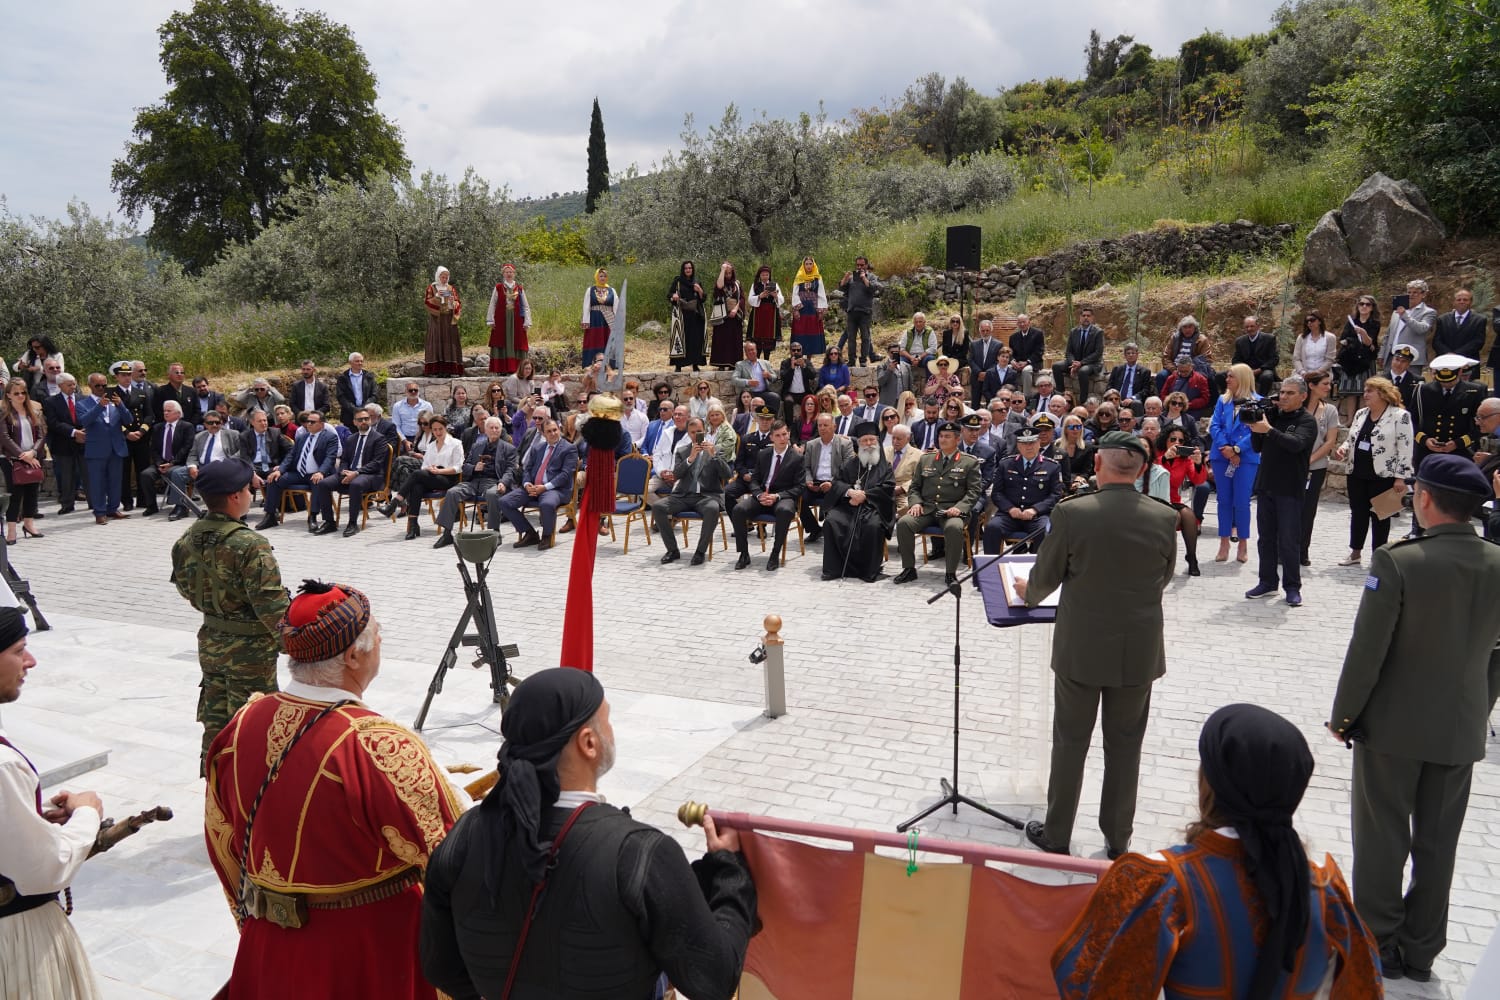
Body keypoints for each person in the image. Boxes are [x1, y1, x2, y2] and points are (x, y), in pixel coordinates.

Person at [420, 668, 755, 1000]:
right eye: (607, 720)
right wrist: (730, 869)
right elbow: (714, 979)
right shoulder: (638, 851)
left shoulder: (467, 833)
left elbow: (442, 969)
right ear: (589, 743)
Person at [206, 581, 466, 1000]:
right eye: (377, 633)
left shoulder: (241, 725)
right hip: (367, 956)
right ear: (352, 656)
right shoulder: (377, 744)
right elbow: (454, 857)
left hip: (268, 947)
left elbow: (223, 842)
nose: (381, 641)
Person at [1053, 703, 1381, 999]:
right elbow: (1364, 988)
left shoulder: (1163, 885)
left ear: (1209, 783)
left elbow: (1089, 986)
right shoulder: (1327, 892)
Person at [1328, 453, 1500, 982]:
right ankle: (1422, 950)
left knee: (1382, 837)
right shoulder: (1496, 562)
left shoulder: (1400, 561)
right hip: (1460, 726)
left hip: (1392, 727)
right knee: (1438, 843)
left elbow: (1368, 650)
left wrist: (1345, 715)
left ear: (1424, 499)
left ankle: (1378, 942)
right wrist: (1478, 707)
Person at [1017, 432, 1178, 859]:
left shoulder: (1073, 512)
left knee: (1070, 743)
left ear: (1098, 465)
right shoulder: (1164, 517)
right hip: (1136, 649)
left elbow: (1046, 577)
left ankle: (1057, 834)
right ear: (1141, 470)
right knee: (1125, 747)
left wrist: (1027, 592)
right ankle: (1118, 839)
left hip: (1081, 647)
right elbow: (1163, 577)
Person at [0, 609, 107, 1000]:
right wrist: (86, 813)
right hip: (16, 941)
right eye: (19, 650)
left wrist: (28, 818)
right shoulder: (2, 766)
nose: (30, 661)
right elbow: (45, 868)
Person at [169, 458, 288, 769]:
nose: (251, 494)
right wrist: (299, 646)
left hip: (211, 643)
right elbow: (272, 609)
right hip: (250, 654)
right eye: (249, 489)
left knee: (216, 724)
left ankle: (215, 785)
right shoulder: (250, 544)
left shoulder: (186, 540)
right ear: (235, 496)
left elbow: (185, 589)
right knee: (253, 730)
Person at [1244, 377, 1318, 608]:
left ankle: (1292, 587)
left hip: (1290, 488)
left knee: (1288, 540)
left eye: (1290, 393)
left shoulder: (1307, 421)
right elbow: (1257, 446)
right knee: (1265, 538)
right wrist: (1256, 427)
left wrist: (1269, 430)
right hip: (1266, 485)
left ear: (1303, 396)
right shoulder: (1273, 416)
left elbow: (1295, 444)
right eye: (1282, 392)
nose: (1283, 397)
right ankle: (1267, 582)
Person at [1334, 377, 1414, 566]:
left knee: (1381, 516)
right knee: (1358, 513)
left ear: (1383, 394)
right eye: (1365, 390)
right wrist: (1344, 448)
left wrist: (1400, 477)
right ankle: (1355, 553)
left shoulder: (1400, 416)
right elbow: (1352, 438)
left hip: (1384, 475)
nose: (1365, 394)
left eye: (1370, 391)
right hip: (1357, 473)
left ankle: (1378, 555)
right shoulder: (1361, 413)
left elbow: (1405, 448)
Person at [892, 421, 980, 586]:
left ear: (957, 439)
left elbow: (974, 491)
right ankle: (909, 569)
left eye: (947, 436)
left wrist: (959, 508)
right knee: (904, 523)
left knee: (954, 528)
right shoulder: (926, 459)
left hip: (951, 511)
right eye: (941, 436)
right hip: (926, 509)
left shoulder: (969, 462)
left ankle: (950, 573)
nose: (943, 439)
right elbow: (915, 487)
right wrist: (915, 503)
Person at [816, 422, 894, 581]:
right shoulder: (849, 464)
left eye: (872, 440)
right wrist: (850, 492)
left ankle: (868, 571)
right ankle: (834, 569)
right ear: (859, 443)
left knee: (873, 526)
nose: (869, 444)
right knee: (832, 521)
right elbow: (837, 483)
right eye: (865, 440)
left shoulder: (885, 467)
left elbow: (888, 488)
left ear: (877, 442)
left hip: (873, 507)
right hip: (848, 506)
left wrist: (865, 495)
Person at [652, 417, 731, 566]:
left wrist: (714, 456)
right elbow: (676, 475)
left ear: (705, 431)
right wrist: (690, 458)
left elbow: (727, 475)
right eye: (692, 432)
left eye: (699, 431)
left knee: (712, 509)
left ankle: (700, 551)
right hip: (683, 495)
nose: (696, 435)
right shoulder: (682, 451)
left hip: (707, 496)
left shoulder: (716, 449)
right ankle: (672, 550)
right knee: (658, 507)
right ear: (688, 433)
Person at [729, 418, 805, 572]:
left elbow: (800, 487)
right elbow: (754, 480)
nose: (782, 438)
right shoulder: (763, 454)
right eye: (778, 435)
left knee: (785, 511)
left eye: (784, 434)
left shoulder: (797, 458)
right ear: (771, 438)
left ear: (789, 434)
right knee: (738, 510)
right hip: (762, 496)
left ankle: (775, 554)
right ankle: (744, 554)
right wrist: (758, 495)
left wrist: (777, 496)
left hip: (783, 497)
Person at [491, 419, 577, 550]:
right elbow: (527, 469)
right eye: (549, 431)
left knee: (547, 504)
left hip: (555, 489)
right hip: (532, 488)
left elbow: (565, 475)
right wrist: (527, 484)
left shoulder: (569, 448)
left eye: (555, 430)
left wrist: (545, 487)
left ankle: (547, 536)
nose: (553, 433)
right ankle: (530, 533)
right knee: (504, 502)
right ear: (543, 434)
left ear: (559, 429)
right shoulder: (538, 448)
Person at [315, 407, 397, 537]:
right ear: (354, 422)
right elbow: (344, 460)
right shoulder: (351, 439)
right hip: (350, 473)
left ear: (370, 420)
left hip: (371, 475)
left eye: (366, 419)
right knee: (323, 484)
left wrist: (356, 473)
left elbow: (377, 463)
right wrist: (343, 471)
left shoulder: (379, 438)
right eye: (360, 420)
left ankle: (352, 523)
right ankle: (329, 522)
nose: (364, 421)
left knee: (356, 484)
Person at [981, 424, 1062, 555]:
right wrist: (1010, 508)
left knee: (1045, 530)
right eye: (1024, 443)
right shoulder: (1006, 464)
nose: (1028, 447)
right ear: (1018, 445)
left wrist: (1035, 509)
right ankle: (991, 566)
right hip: (1009, 515)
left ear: (1039, 443)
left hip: (1038, 516)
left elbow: (1055, 495)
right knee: (992, 527)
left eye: (1032, 443)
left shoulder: (1052, 466)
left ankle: (1038, 566)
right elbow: (997, 493)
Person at [381, 414, 463, 541]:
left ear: (445, 428)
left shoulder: (456, 444)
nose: (438, 432)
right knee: (417, 486)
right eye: (435, 430)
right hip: (431, 476)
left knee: (416, 475)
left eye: (440, 429)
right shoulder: (431, 446)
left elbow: (458, 468)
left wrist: (439, 471)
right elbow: (424, 466)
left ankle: (395, 502)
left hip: (449, 478)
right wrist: (430, 469)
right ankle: (413, 525)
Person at [1208, 364, 1259, 564]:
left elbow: (1256, 430)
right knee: (1224, 500)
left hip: (1246, 458)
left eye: (1231, 376)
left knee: (1242, 501)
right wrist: (1226, 448)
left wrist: (1237, 449)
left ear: (1243, 378)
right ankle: (1224, 543)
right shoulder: (1223, 400)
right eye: (1227, 376)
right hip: (1221, 456)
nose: (1227, 379)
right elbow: (1215, 425)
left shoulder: (1258, 402)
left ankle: (1243, 544)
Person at [257, 411, 340, 530]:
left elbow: (330, 457)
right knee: (274, 479)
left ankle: (312, 517)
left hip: (316, 474)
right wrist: (280, 470)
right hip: (298, 473)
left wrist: (321, 472)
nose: (308, 424)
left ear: (321, 424)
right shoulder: (302, 437)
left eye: (312, 422)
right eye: (307, 421)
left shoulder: (330, 437)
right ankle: (270, 516)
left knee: (318, 482)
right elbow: (291, 456)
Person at [1413, 353, 1485, 468]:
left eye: (1450, 381)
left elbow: (1482, 424)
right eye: (1442, 381)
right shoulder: (1422, 390)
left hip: (1461, 451)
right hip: (1428, 452)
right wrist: (1424, 440)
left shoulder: (1474, 392)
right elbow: (1411, 420)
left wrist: (1459, 443)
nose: (1446, 384)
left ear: (1460, 372)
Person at [1298, 372, 1340, 566]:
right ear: (1311, 385)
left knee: (1308, 510)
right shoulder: (1297, 407)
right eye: (1325, 384)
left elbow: (1330, 441)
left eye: (1329, 384)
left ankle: (1302, 550)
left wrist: (1310, 460)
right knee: (1288, 508)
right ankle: (1283, 548)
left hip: (1315, 468)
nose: (1328, 388)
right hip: (1292, 467)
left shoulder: (1330, 410)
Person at [77, 373, 129, 525]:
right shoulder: (83, 404)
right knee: (97, 483)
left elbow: (129, 420)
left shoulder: (114, 402)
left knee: (115, 481)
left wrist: (121, 405)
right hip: (96, 449)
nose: (101, 388)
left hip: (116, 448)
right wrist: (99, 406)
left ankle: (113, 508)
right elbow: (84, 421)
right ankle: (99, 512)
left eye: (104, 385)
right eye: (97, 385)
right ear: (90, 386)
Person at [0, 378, 47, 543]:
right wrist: (23, 455)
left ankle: (29, 524)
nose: (20, 396)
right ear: (8, 395)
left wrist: (33, 452)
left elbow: (41, 435)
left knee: (32, 492)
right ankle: (11, 531)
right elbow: (4, 437)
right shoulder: (4, 414)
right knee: (15, 494)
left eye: (23, 393)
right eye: (16, 393)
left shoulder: (34, 412)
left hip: (33, 457)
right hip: (12, 459)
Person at [799, 413, 854, 542]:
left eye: (825, 425)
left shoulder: (845, 444)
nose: (822, 428)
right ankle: (815, 530)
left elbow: (848, 470)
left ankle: (831, 528)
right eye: (820, 425)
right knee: (797, 497)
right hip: (815, 483)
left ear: (834, 427)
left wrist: (832, 484)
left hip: (835, 483)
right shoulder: (811, 444)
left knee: (836, 497)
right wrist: (808, 480)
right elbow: (806, 467)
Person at [137, 399, 193, 520]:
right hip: (160, 463)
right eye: (164, 411)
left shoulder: (186, 427)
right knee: (146, 474)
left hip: (178, 463)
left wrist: (172, 463)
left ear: (178, 413)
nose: (165, 413)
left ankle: (180, 507)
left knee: (175, 473)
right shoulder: (158, 427)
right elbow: (153, 449)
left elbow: (186, 448)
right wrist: (159, 463)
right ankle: (151, 505)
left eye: (169, 411)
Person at [42, 373, 86, 514]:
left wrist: (83, 432)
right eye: (69, 384)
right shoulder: (50, 402)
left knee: (88, 475)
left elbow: (89, 417)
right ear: (60, 385)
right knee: (66, 476)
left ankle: (94, 503)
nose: (73, 387)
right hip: (63, 445)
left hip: (83, 443)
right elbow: (53, 423)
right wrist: (74, 432)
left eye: (74, 384)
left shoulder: (83, 399)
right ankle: (67, 504)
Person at [1380, 278, 1436, 376]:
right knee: (1387, 385)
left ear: (1423, 294)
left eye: (1415, 292)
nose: (1411, 295)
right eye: (1409, 292)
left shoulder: (1428, 312)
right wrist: (1381, 354)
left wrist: (1405, 316)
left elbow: (1422, 329)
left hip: (1412, 360)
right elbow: (1388, 335)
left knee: (1410, 385)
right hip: (1392, 358)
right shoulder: (1396, 312)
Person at [1052, 305, 1105, 402]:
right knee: (1056, 366)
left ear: (1092, 318)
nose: (1086, 318)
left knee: (1083, 371)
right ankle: (1061, 395)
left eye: (1088, 316)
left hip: (1092, 363)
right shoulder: (1074, 332)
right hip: (1075, 362)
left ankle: (1083, 401)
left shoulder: (1098, 332)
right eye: (1083, 315)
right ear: (1080, 318)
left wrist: (1081, 363)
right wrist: (1073, 363)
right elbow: (1068, 351)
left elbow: (1098, 353)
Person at [1432, 288, 1487, 380]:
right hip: (1445, 363)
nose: (1462, 302)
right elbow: (1437, 341)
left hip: (1467, 364)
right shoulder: (1442, 319)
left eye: (1465, 300)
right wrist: (1448, 354)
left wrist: (1456, 355)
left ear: (1471, 302)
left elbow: (1478, 342)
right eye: (1459, 299)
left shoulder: (1479, 320)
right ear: (1454, 302)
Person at [837, 256, 882, 365]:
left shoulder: (872, 276)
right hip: (852, 311)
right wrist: (845, 278)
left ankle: (863, 360)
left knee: (865, 338)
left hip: (865, 312)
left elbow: (874, 289)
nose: (859, 267)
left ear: (866, 265)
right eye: (857, 265)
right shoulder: (852, 277)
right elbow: (841, 288)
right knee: (851, 338)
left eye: (862, 265)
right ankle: (852, 360)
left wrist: (864, 278)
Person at [487, 263, 530, 376]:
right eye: (506, 272)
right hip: (502, 319)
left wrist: (527, 321)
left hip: (517, 320)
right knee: (501, 340)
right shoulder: (498, 287)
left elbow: (525, 306)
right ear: (503, 274)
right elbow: (493, 303)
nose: (509, 274)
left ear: (514, 273)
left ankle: (517, 368)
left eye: (510, 272)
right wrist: (491, 320)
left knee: (517, 341)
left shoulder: (519, 288)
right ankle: (502, 368)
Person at [425, 266, 464, 377]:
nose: (445, 279)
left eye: (446, 277)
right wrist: (437, 296)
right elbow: (427, 302)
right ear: (438, 276)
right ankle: (435, 369)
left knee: (449, 341)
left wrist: (452, 302)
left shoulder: (451, 288)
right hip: (436, 320)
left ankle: (450, 369)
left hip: (448, 319)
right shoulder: (432, 288)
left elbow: (458, 303)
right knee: (437, 340)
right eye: (443, 277)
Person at [668, 260, 706, 370]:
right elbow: (669, 294)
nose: (688, 270)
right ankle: (678, 365)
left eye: (690, 268)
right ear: (683, 270)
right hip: (682, 315)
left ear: (692, 269)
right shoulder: (678, 281)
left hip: (695, 315)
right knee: (681, 339)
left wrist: (699, 290)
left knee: (695, 340)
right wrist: (674, 296)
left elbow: (703, 298)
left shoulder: (697, 281)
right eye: (686, 268)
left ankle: (695, 364)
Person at [788, 255, 828, 357]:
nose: (809, 266)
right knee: (800, 332)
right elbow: (795, 293)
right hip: (802, 309)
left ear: (813, 265)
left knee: (811, 332)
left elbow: (821, 293)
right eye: (807, 264)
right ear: (803, 265)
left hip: (813, 309)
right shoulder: (799, 277)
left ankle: (809, 359)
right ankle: (798, 356)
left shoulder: (817, 278)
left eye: (810, 264)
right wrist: (796, 308)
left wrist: (820, 310)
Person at [708, 262, 745, 370]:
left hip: (735, 315)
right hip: (723, 316)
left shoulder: (737, 284)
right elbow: (719, 287)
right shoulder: (720, 283)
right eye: (726, 273)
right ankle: (721, 364)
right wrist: (723, 269)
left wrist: (735, 309)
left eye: (730, 273)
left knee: (734, 340)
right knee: (722, 339)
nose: (728, 275)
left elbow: (741, 298)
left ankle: (733, 364)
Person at [1230, 315, 1279, 397]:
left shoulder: (1269, 339)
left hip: (1263, 370)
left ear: (1258, 326)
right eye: (1247, 327)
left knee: (1267, 376)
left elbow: (1274, 359)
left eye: (1252, 326)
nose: (1249, 329)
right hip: (1245, 371)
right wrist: (1245, 370)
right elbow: (1235, 360)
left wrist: (1259, 370)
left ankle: (1261, 399)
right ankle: (1229, 398)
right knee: (1221, 376)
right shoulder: (1240, 341)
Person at [580, 267, 618, 369]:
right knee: (595, 339)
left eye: (605, 276)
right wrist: (586, 321)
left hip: (609, 318)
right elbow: (586, 306)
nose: (603, 278)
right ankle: (591, 363)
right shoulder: (590, 290)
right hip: (595, 319)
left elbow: (616, 306)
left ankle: (611, 364)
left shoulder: (612, 290)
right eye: (601, 276)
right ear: (597, 277)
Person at [731, 340, 779, 416]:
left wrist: (769, 375)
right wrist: (748, 382)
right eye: (748, 350)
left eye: (752, 350)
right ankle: (745, 421)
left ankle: (772, 420)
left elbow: (775, 377)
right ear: (745, 352)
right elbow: (734, 380)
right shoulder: (740, 364)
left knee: (775, 397)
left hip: (763, 392)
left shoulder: (765, 363)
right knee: (741, 399)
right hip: (749, 393)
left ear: (756, 350)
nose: (751, 352)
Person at [745, 264, 783, 361]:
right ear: (760, 275)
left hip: (771, 315)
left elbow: (781, 300)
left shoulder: (774, 285)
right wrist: (759, 296)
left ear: (769, 275)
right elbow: (750, 299)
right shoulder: (755, 285)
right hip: (758, 314)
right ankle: (756, 360)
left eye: (767, 275)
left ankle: (766, 360)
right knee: (757, 335)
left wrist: (775, 296)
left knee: (769, 336)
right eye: (763, 275)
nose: (765, 277)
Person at [1008, 313, 1044, 397]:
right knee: (1007, 368)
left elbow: (1039, 352)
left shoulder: (1038, 334)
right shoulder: (1013, 337)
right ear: (1017, 324)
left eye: (1024, 322)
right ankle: (1010, 395)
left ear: (1029, 322)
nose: (1022, 324)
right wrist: (1012, 361)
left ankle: (1026, 397)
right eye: (1020, 322)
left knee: (1026, 370)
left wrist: (1027, 362)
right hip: (1018, 363)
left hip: (1033, 363)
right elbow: (1010, 353)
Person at [336, 352, 375, 420]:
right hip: (349, 414)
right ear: (350, 362)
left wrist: (365, 407)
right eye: (357, 361)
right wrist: (354, 409)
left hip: (367, 413)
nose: (360, 363)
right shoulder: (343, 378)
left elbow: (374, 394)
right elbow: (341, 396)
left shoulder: (369, 376)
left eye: (361, 361)